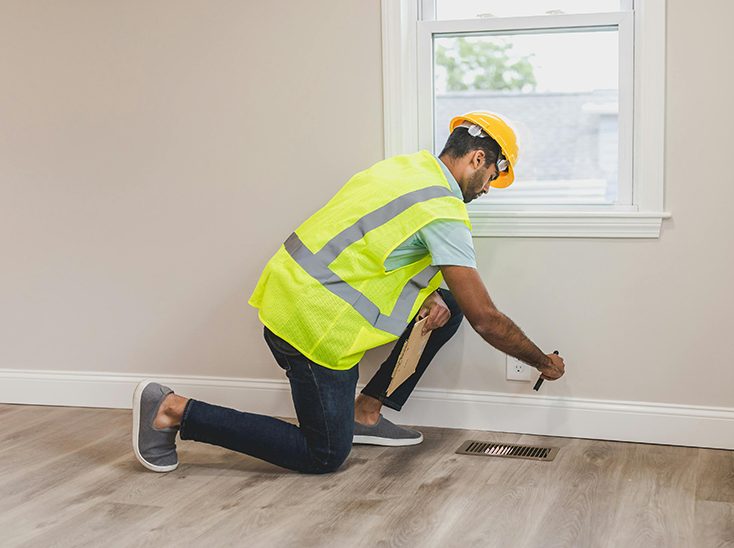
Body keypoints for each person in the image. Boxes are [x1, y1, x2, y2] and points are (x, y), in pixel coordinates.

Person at [131, 111, 566, 474]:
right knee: (323, 455)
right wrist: (542, 362)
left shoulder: (403, 169)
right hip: (313, 326)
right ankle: (171, 409)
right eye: (491, 177)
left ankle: (365, 412)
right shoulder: (444, 212)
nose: (487, 189)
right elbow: (485, 319)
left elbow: (375, 247)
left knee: (447, 305)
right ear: (477, 158)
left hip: (288, 292)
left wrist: (430, 294)